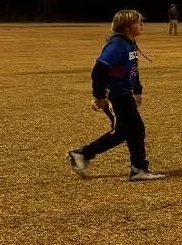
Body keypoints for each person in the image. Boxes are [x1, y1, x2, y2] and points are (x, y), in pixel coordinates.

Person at [68, 10, 166, 181]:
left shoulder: (130, 43)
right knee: (128, 130)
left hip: (124, 94)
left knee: (129, 131)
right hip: (114, 96)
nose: (141, 25)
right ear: (127, 27)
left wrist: (137, 90)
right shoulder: (117, 45)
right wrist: (100, 95)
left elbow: (133, 69)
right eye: (138, 22)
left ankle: (136, 167)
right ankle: (85, 154)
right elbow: (99, 70)